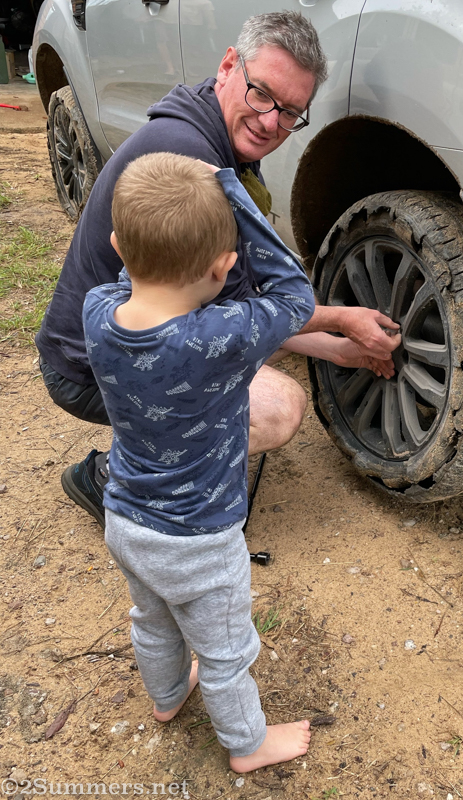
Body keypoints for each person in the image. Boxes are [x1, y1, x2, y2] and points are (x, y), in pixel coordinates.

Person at [36, 11, 401, 527]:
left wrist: (340, 350)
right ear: (229, 66)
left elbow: (240, 316)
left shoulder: (206, 124)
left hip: (112, 336)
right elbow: (256, 314)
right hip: (87, 369)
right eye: (263, 94)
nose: (272, 121)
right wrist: (341, 321)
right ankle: (116, 481)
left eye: (291, 111)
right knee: (278, 407)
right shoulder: (196, 166)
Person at [84, 151, 318, 770]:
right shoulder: (221, 338)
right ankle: (247, 744)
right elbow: (295, 295)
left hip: (125, 517)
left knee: (151, 618)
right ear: (224, 266)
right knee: (225, 652)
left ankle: (165, 697)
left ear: (116, 244)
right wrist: (231, 192)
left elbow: (120, 276)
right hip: (201, 540)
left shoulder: (98, 315)